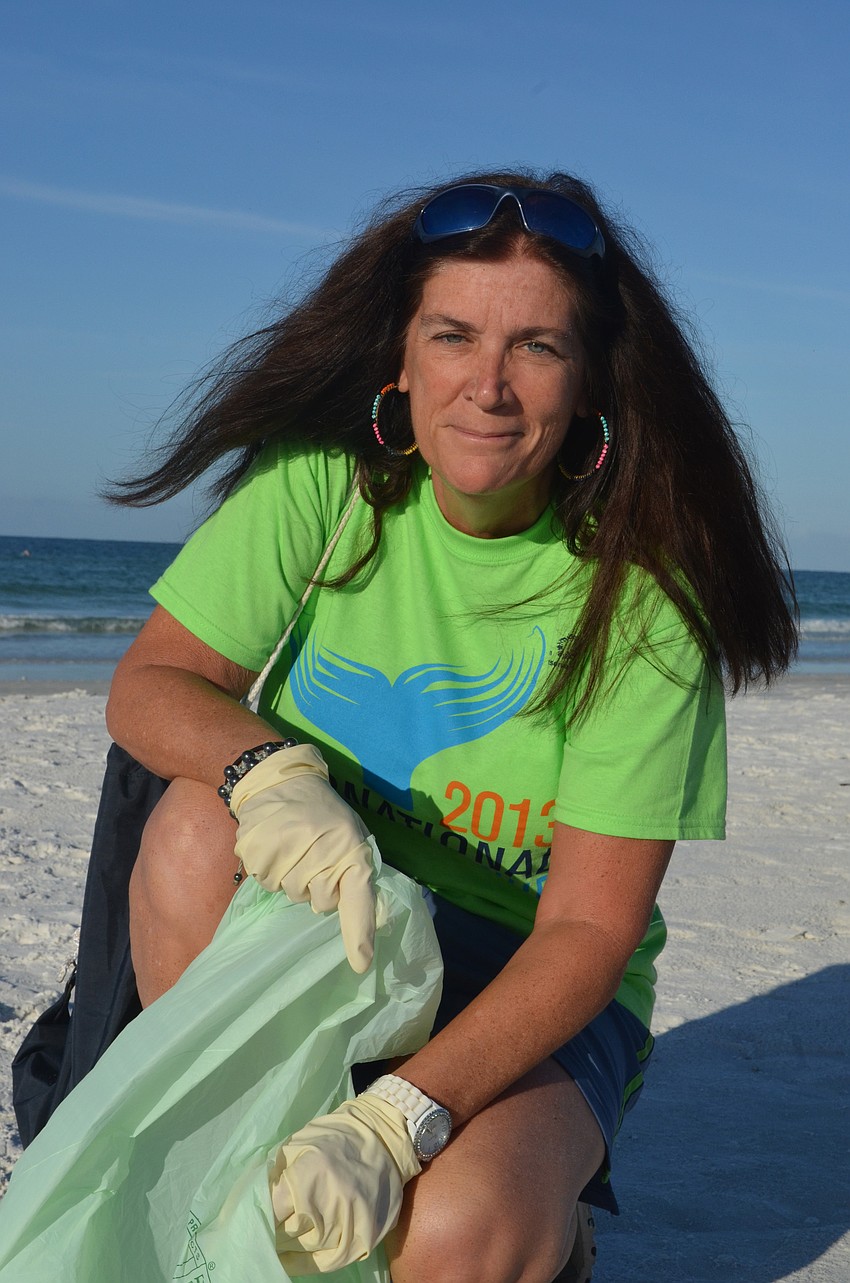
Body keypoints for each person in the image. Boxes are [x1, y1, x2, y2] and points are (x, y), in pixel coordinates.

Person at [105, 171, 797, 1282]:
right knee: (194, 823)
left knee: (452, 1230)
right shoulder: (320, 486)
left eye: (535, 346)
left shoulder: (644, 612)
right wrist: (266, 767)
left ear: (588, 386)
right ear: (401, 357)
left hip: (527, 976)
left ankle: (543, 1217)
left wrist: (398, 1118)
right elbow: (152, 684)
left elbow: (586, 932)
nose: (487, 384)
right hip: (328, 916)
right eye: (453, 334)